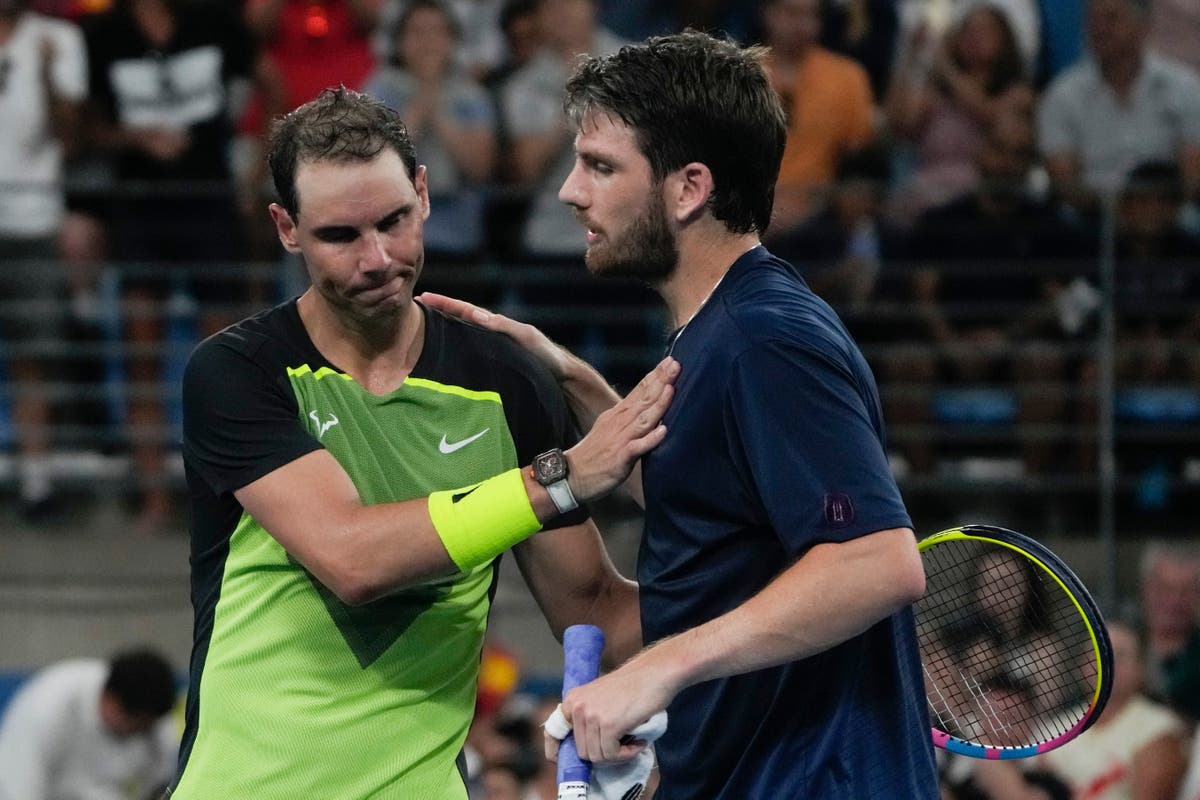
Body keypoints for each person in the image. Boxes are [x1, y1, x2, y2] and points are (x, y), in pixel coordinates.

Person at [423, 30, 938, 799]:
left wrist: (657, 669)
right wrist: (565, 374)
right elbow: (714, 505)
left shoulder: (768, 339)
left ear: (689, 187)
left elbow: (876, 562)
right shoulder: (719, 332)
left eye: (600, 165)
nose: (570, 191)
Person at [169, 86, 676, 798]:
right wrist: (556, 478)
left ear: (424, 193)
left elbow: (599, 610)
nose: (377, 259)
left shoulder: (505, 382)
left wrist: (762, 594)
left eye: (394, 221)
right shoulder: (238, 371)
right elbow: (351, 558)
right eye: (340, 237)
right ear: (286, 228)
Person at [82, 0, 284, 532]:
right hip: (137, 210)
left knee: (225, 362)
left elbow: (273, 85)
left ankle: (231, 502)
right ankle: (154, 500)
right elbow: (85, 128)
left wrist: (256, 171)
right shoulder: (106, 33)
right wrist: (135, 137)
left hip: (211, 205)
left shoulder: (214, 21)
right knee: (141, 357)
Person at [0, 0, 86, 516]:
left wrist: (51, 73)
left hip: (34, 216)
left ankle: (37, 482)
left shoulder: (59, 40)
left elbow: (72, 139)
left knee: (34, 354)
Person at [1036, 0, 1200, 216]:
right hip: (1091, 217)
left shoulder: (1184, 87)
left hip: (1168, 216)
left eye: (1111, 19)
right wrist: (1124, 212)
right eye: (1093, 20)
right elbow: (1065, 182)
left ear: (1142, 25)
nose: (1099, 28)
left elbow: (1193, 175)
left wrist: (1151, 210)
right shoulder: (1062, 96)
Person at [0, 647, 179, 800]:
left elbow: (162, 784)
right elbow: (16, 789)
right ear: (112, 702)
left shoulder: (157, 724)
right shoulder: (46, 710)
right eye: (137, 725)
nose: (141, 734)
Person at [1042, 618, 1188, 800]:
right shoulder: (1057, 728)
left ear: (1140, 668)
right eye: (1098, 653)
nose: (1107, 663)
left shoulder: (1159, 729)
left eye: (1120, 655)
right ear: (1082, 666)